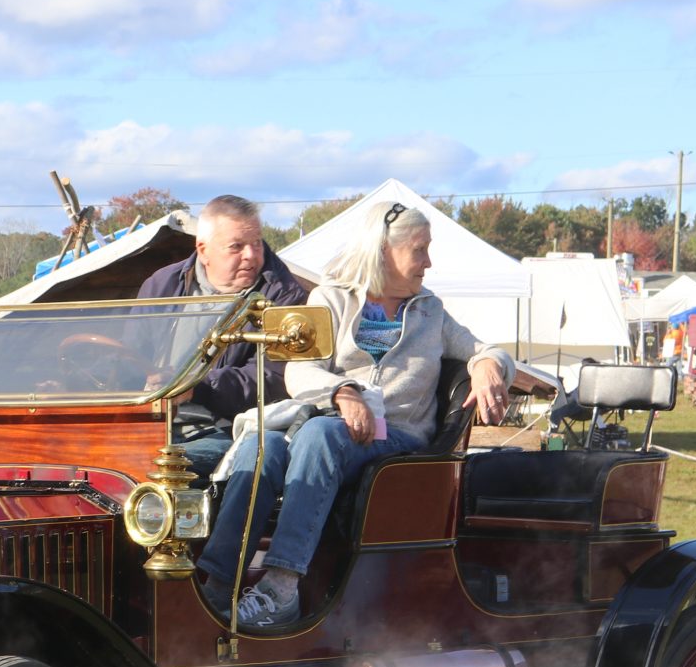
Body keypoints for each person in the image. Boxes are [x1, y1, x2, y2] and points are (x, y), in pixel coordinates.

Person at [195, 199, 513, 630]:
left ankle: (281, 588)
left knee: (319, 435)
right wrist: (342, 391)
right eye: (419, 250)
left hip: (398, 439)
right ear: (383, 251)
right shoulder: (330, 298)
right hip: (331, 423)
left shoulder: (430, 310)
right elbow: (298, 368)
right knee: (260, 444)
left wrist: (489, 366)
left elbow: (483, 349)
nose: (428, 262)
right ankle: (216, 587)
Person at [135, 194, 308, 480]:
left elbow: (275, 377)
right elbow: (128, 355)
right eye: (236, 247)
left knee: (156, 466)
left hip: (228, 429)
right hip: (150, 423)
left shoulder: (284, 297)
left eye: (256, 243)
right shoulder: (161, 285)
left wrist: (197, 387)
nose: (252, 255)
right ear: (203, 250)